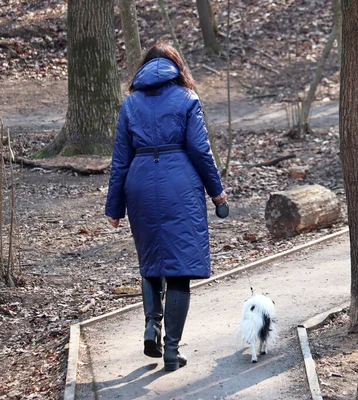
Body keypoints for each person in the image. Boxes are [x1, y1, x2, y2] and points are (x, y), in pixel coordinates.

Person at [105, 42, 227, 372]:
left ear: (144, 69)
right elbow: (201, 150)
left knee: (151, 262)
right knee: (179, 268)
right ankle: (171, 351)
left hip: (140, 185)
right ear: (177, 67)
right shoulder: (187, 99)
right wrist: (217, 193)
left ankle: (150, 328)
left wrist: (114, 207)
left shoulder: (130, 104)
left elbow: (120, 161)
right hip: (180, 187)